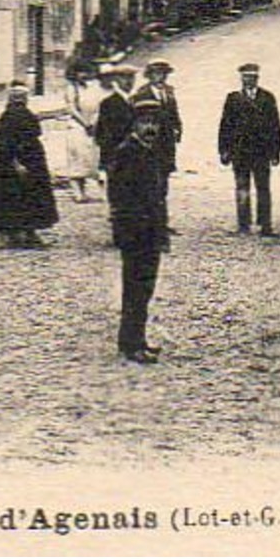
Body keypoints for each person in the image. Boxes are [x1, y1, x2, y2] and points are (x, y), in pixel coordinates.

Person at [108, 100, 169, 364]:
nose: (150, 128)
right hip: (136, 234)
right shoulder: (127, 152)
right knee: (135, 289)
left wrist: (161, 232)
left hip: (149, 233)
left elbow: (156, 197)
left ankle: (136, 339)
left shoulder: (149, 150)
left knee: (144, 290)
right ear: (134, 124)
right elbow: (119, 197)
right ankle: (131, 344)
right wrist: (131, 230)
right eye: (145, 122)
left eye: (154, 123)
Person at [0, 83, 58, 248]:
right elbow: (7, 143)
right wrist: (16, 162)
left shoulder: (22, 114)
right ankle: (16, 235)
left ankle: (28, 233)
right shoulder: (10, 116)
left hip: (31, 160)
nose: (21, 100)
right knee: (17, 198)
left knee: (29, 197)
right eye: (18, 97)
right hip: (19, 161)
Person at [218, 62, 280, 236]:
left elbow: (275, 126)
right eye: (246, 77)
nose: (249, 81)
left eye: (252, 78)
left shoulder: (267, 98)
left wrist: (276, 152)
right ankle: (243, 225)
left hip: (261, 152)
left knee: (263, 189)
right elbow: (225, 125)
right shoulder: (233, 98)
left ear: (257, 79)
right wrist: (223, 150)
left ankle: (265, 225)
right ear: (241, 79)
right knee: (242, 188)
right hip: (239, 152)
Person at [130, 58, 182, 248]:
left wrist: (178, 129)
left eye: (163, 73)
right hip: (152, 142)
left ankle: (162, 222)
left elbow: (174, 113)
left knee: (164, 183)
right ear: (149, 75)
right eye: (156, 73)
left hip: (167, 143)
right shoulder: (142, 93)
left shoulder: (169, 91)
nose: (160, 76)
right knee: (153, 182)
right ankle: (154, 223)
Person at [58, 63, 103, 203]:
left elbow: (98, 106)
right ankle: (78, 192)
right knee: (77, 158)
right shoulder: (71, 89)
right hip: (77, 125)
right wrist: (84, 123)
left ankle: (87, 190)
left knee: (90, 158)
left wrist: (94, 121)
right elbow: (71, 108)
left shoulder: (93, 87)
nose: (83, 75)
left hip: (92, 124)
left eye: (85, 72)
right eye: (80, 72)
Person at [93, 63, 136, 178]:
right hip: (116, 155)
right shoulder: (108, 103)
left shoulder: (137, 100)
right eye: (123, 77)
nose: (128, 81)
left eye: (131, 77)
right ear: (116, 79)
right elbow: (104, 133)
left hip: (136, 155)